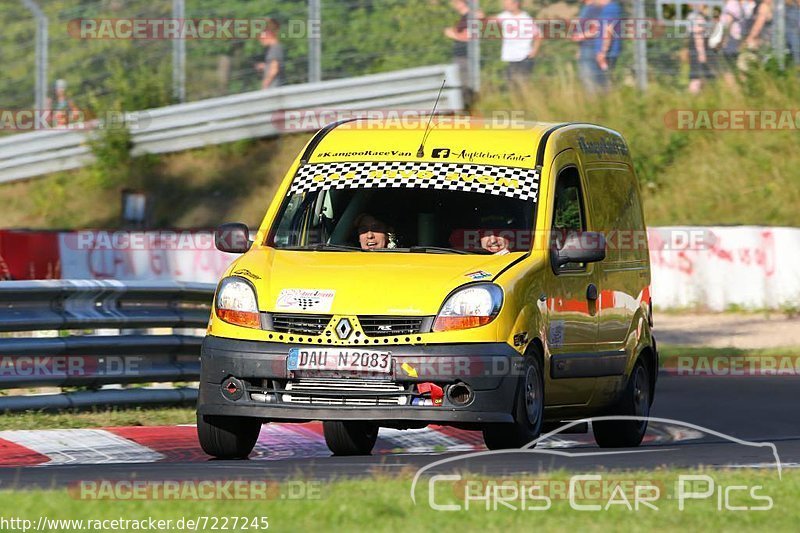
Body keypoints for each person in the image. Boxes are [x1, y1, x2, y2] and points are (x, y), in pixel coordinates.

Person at [489, 0, 542, 92]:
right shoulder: (504, 15)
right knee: (511, 86)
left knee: (522, 86)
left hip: (523, 57)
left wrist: (534, 51)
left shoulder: (526, 19)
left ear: (516, 4)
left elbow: (538, 35)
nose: (505, 6)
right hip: (509, 58)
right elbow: (491, 20)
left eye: (507, 4)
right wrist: (482, 17)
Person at [445, 0, 479, 107]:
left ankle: (468, 106)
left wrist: (452, 34)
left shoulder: (469, 17)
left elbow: (468, 37)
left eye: (456, 3)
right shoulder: (465, 17)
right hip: (461, 56)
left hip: (465, 56)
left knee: (464, 84)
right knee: (461, 82)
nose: (454, 5)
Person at [718, 0, 757, 81]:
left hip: (731, 44)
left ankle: (732, 93)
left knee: (728, 72)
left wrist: (721, 40)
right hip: (741, 43)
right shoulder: (745, 4)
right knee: (742, 72)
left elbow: (728, 23)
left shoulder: (732, 3)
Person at [574, 0, 604, 94]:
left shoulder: (593, 8)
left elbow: (597, 29)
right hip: (585, 48)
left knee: (589, 79)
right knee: (585, 78)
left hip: (591, 48)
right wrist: (579, 49)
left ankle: (594, 104)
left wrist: (581, 36)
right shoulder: (585, 8)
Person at [594, 0, 622, 91]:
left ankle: (608, 102)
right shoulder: (606, 8)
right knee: (602, 82)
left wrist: (603, 52)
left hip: (607, 54)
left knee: (604, 83)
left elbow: (608, 30)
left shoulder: (610, 8)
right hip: (604, 53)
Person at [688, 4, 715, 93]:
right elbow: (698, 36)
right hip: (699, 49)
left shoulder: (694, 16)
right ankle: (694, 96)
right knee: (697, 76)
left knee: (698, 75)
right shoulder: (698, 17)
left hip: (698, 48)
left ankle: (698, 95)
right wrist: (701, 53)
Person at [256, 19, 284, 89]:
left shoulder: (275, 48)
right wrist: (265, 66)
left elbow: (274, 70)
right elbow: (273, 65)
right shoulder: (271, 49)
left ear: (269, 35)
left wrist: (265, 84)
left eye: (261, 38)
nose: (260, 40)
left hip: (273, 88)